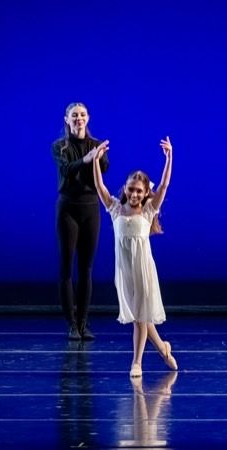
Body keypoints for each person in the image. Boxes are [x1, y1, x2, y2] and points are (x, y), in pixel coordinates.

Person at [92, 137, 178, 377]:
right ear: (125, 188)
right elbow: (99, 186)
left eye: (139, 190)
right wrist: (96, 162)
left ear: (146, 192)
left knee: (140, 318)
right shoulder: (115, 209)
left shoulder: (149, 210)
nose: (134, 194)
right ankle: (163, 348)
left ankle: (136, 363)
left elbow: (164, 185)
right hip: (124, 271)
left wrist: (169, 158)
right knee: (141, 316)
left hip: (143, 269)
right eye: (131, 189)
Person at [52, 102, 110, 341]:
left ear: (88, 118)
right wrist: (86, 159)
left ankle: (84, 323)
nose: (79, 118)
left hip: (90, 208)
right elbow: (66, 170)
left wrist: (98, 158)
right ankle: (72, 324)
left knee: (86, 268)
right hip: (68, 209)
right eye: (74, 115)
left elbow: (104, 169)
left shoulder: (95, 144)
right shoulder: (59, 146)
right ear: (67, 119)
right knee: (67, 267)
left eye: (82, 115)